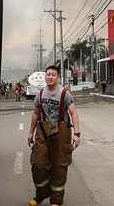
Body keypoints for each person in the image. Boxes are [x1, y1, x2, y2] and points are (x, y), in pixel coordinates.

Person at [28, 65, 80, 206]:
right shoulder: (40, 94)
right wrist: (31, 132)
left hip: (61, 130)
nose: (50, 77)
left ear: (58, 77)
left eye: (53, 75)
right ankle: (42, 193)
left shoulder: (65, 93)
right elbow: (36, 114)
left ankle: (56, 200)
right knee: (38, 163)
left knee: (59, 165)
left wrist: (77, 134)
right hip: (43, 130)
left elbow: (74, 113)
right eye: (48, 75)